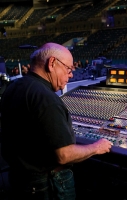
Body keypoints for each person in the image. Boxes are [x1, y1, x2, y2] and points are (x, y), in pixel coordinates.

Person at [0, 42, 113, 200]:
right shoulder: (46, 98)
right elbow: (64, 155)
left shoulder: (14, 87)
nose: (71, 75)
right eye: (68, 69)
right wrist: (96, 147)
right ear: (52, 63)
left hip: (19, 179)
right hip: (47, 185)